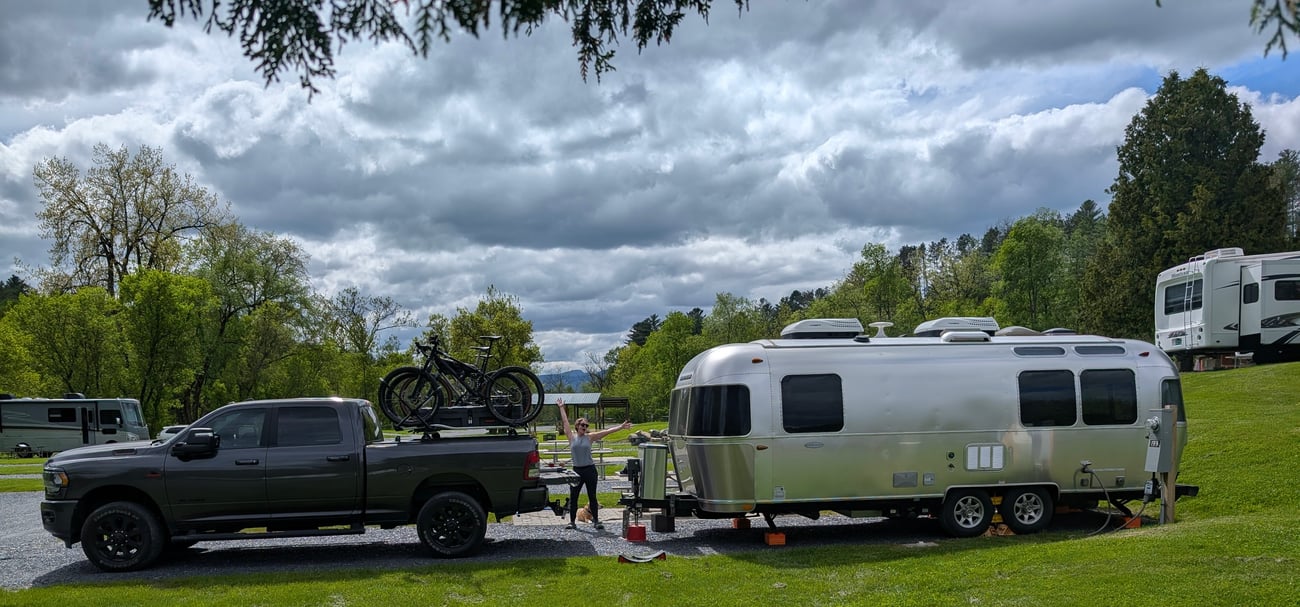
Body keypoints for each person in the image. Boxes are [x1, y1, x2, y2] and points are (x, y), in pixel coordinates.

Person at [556, 397, 632, 530]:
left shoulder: (590, 437)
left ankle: (596, 521)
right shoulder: (571, 437)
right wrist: (561, 407)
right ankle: (572, 522)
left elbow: (607, 432)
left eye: (586, 426)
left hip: (589, 470)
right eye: (582, 425)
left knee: (592, 496)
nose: (584, 427)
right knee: (574, 497)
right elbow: (565, 422)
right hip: (576, 470)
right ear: (577, 426)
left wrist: (621, 426)